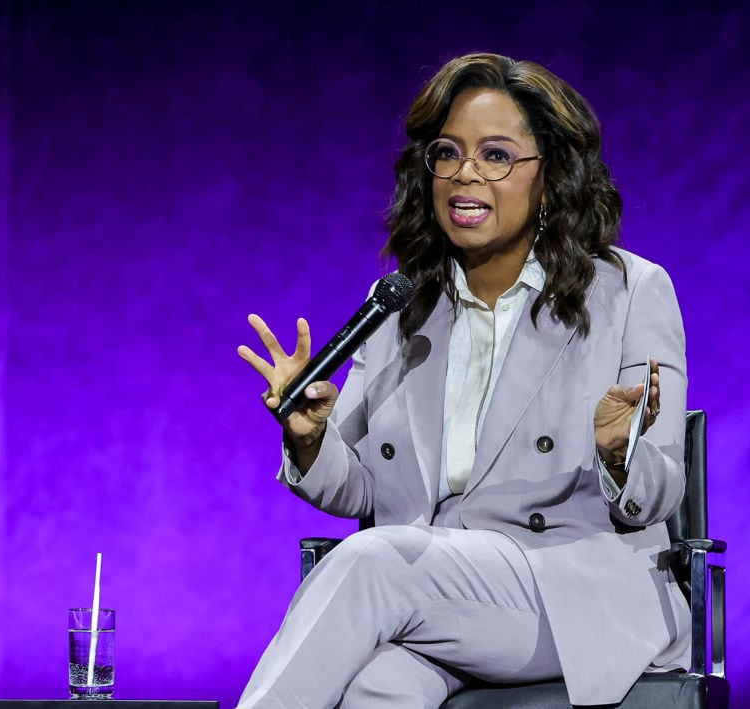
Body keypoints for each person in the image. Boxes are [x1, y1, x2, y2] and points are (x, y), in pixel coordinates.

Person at [236, 52, 690, 708]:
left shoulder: (626, 291)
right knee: (376, 686)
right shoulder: (400, 306)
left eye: (496, 155)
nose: (465, 173)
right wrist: (310, 440)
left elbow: (658, 492)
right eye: (447, 153)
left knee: (372, 562)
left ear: (551, 175)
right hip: (440, 598)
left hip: (567, 596)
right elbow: (360, 486)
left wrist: (622, 454)